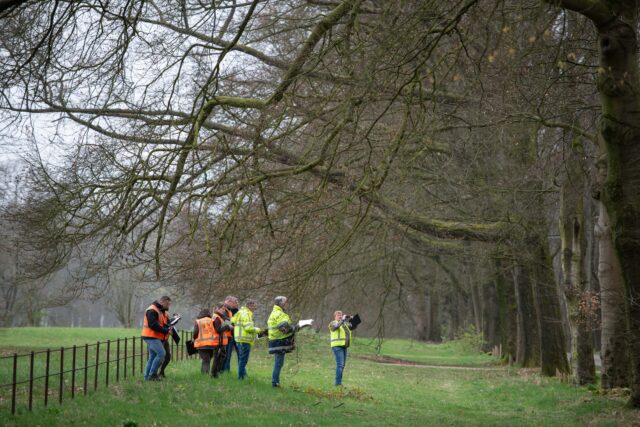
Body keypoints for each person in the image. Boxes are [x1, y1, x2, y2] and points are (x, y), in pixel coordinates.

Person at [193, 304, 231, 377]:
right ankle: (211, 374)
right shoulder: (211, 320)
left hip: (201, 344)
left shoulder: (198, 321)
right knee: (209, 359)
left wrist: (194, 339)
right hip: (211, 344)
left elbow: (195, 334)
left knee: (205, 360)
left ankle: (204, 375)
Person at [267, 296, 297, 388]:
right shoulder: (279, 314)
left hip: (277, 341)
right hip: (278, 341)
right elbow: (284, 329)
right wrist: (297, 327)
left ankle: (275, 382)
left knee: (279, 363)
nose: (287, 304)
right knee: (278, 363)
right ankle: (275, 383)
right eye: (286, 302)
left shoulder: (277, 312)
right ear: (281, 303)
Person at [141, 296, 172, 381]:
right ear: (162, 302)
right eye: (167, 304)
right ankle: (152, 375)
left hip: (154, 336)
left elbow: (161, 324)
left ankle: (146, 378)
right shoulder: (152, 310)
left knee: (152, 357)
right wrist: (166, 331)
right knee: (161, 354)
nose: (168, 306)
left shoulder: (160, 310)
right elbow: (153, 325)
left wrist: (169, 326)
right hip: (150, 336)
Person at [231, 299, 262, 380]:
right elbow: (248, 328)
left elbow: (232, 320)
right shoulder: (247, 314)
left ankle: (243, 375)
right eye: (254, 305)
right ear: (250, 305)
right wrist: (258, 330)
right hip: (244, 339)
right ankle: (240, 377)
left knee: (242, 359)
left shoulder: (240, 312)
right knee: (243, 360)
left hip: (238, 339)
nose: (255, 307)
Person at [329, 310, 352, 386]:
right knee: (340, 365)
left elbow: (352, 326)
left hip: (344, 346)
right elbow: (335, 328)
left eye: (341, 315)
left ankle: (339, 383)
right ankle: (338, 383)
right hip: (337, 346)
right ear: (335, 316)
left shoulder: (344, 324)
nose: (340, 316)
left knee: (342, 365)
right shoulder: (332, 323)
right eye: (338, 315)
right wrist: (342, 320)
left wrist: (352, 318)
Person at [222, 295, 239, 373]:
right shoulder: (223, 309)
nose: (234, 304)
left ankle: (226, 370)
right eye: (233, 302)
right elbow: (225, 321)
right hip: (225, 335)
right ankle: (225, 370)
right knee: (226, 355)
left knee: (227, 355)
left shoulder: (229, 310)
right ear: (228, 301)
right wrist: (233, 323)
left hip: (230, 335)